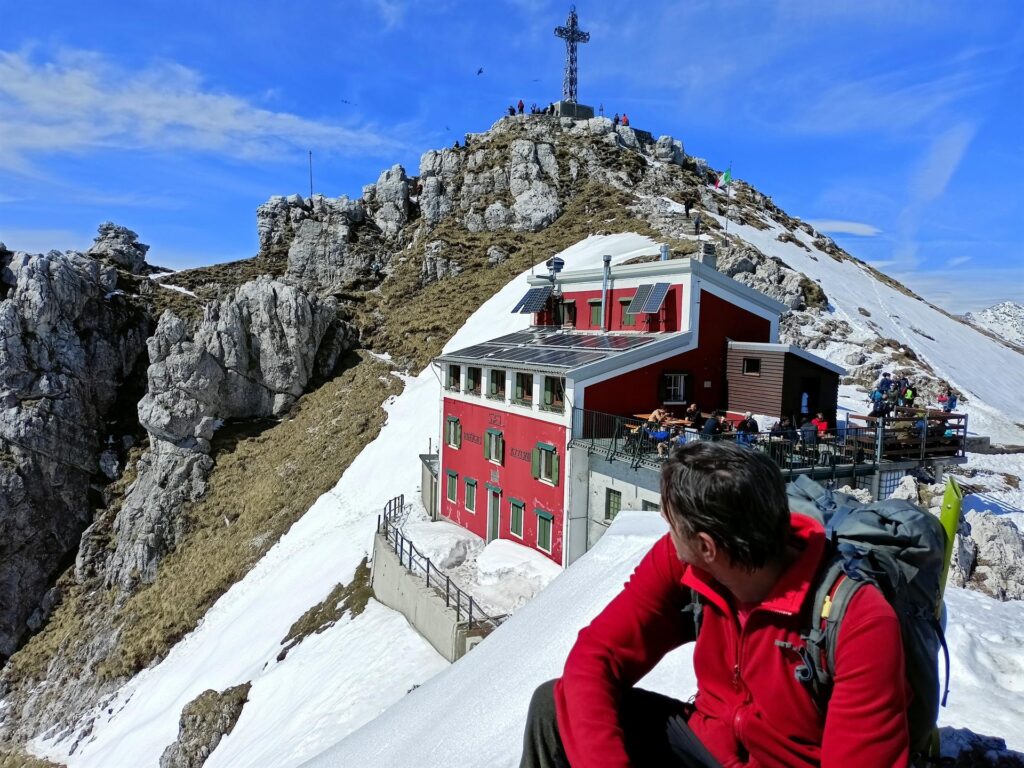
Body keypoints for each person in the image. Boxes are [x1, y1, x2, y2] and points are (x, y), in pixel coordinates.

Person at [520, 442, 910, 767]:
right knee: (553, 707)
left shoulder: (859, 621)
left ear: (706, 547)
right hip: (709, 744)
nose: (666, 527)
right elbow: (597, 655)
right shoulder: (683, 563)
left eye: (671, 521)